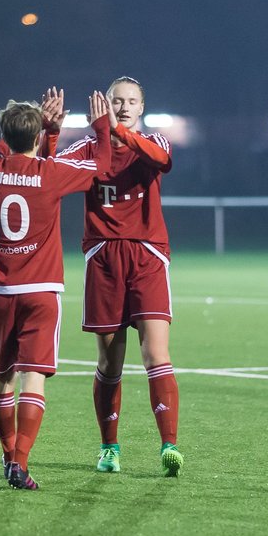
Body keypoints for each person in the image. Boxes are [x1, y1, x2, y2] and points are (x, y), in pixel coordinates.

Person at [0, 89, 111, 489]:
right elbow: (101, 164)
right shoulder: (50, 174)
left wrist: (41, 128)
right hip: (39, 291)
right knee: (34, 377)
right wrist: (98, 125)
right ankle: (21, 463)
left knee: (1, 378)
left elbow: (10, 144)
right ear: (36, 139)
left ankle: (6, 453)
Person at [56, 77, 183, 477]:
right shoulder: (89, 148)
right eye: (117, 101)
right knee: (110, 362)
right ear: (104, 105)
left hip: (146, 257)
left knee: (156, 354)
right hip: (105, 260)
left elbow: (162, 162)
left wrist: (120, 133)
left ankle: (169, 445)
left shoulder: (154, 142)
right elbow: (52, 170)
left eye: (131, 101)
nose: (124, 106)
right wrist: (49, 131)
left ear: (142, 107)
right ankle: (109, 447)